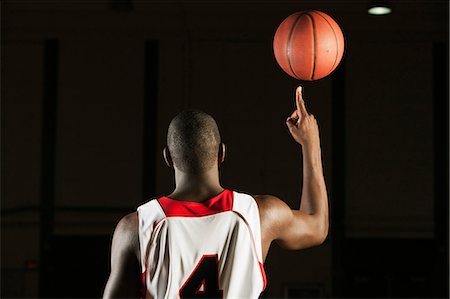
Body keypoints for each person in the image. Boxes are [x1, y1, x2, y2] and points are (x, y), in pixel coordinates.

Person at [103, 86, 329, 298]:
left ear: (167, 158)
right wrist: (311, 143)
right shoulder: (259, 215)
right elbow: (317, 226)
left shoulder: (135, 228)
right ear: (222, 153)